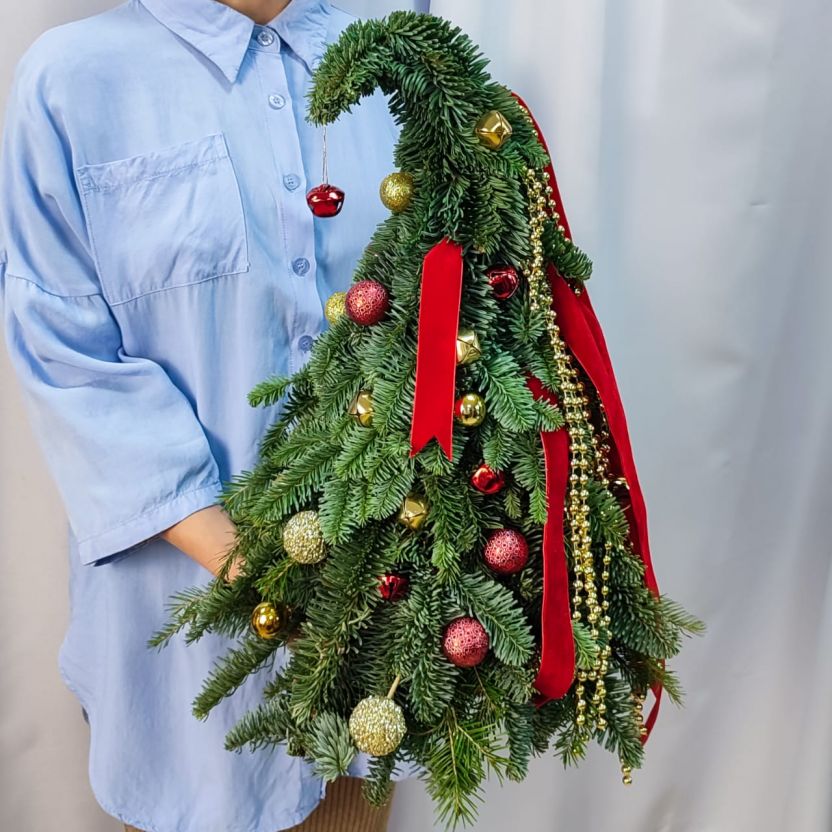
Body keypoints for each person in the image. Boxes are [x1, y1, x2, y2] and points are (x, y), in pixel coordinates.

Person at [0, 0, 402, 829]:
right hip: (183, 660)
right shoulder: (72, 80)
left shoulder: (398, 54)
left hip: (377, 649)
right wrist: (256, 571)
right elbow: (63, 349)